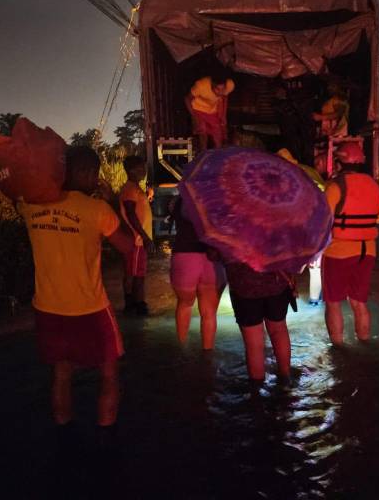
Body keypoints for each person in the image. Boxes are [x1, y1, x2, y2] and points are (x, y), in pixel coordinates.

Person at [17, 146, 132, 446]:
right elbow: (128, 247)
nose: (96, 179)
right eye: (95, 173)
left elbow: (11, 187)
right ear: (85, 173)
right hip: (90, 309)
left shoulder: (32, 205)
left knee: (62, 373)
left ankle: (63, 436)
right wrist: (114, 200)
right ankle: (107, 438)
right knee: (108, 372)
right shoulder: (96, 210)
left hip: (48, 309)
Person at [321, 142, 379, 344]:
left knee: (333, 303)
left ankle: (338, 347)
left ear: (339, 163)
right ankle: (364, 341)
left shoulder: (335, 186)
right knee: (359, 302)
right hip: (367, 251)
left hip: (339, 251)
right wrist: (363, 219)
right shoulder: (375, 185)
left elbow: (323, 219)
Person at [168, 194, 226, 349]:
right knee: (209, 313)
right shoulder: (219, 201)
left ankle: (182, 349)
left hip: (185, 258)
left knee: (185, 304)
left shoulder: (181, 200)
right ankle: (207, 355)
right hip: (213, 260)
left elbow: (175, 216)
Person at [225, 261, 293, 383]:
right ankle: (286, 379)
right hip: (277, 283)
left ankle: (257, 391)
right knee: (279, 330)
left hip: (244, 285)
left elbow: (215, 253)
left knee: (254, 344)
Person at [276, 148, 326, 306]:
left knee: (286, 264)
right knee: (315, 268)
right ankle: (314, 300)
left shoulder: (280, 176)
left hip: (293, 227)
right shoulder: (310, 172)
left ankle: (290, 293)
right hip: (316, 227)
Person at [119, 156, 155, 316]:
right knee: (134, 274)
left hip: (139, 240)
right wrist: (144, 237)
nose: (144, 171)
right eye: (141, 168)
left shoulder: (135, 188)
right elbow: (130, 213)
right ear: (131, 170)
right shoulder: (130, 189)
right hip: (137, 240)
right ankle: (133, 305)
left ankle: (137, 303)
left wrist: (147, 197)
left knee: (138, 273)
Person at [185, 72, 235, 150]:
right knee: (203, 132)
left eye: (223, 89)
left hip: (212, 110)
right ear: (212, 85)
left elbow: (224, 97)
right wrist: (194, 117)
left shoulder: (230, 84)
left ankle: (219, 155)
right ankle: (203, 154)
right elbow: (187, 99)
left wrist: (223, 115)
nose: (220, 92)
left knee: (218, 135)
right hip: (197, 109)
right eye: (218, 89)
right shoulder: (201, 85)